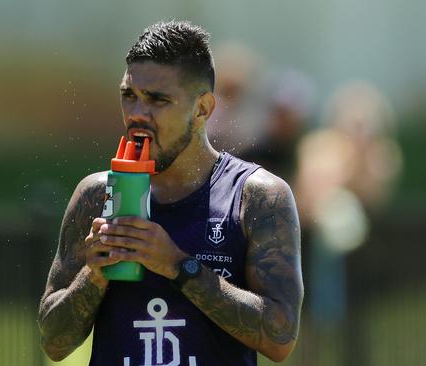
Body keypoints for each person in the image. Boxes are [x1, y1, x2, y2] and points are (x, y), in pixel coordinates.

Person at [38, 21, 303, 366]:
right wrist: (95, 274)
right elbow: (53, 343)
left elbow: (280, 339)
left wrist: (177, 265)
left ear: (203, 109)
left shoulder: (256, 195)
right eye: (129, 96)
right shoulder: (96, 195)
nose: (136, 115)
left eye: (157, 100)